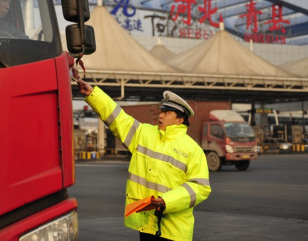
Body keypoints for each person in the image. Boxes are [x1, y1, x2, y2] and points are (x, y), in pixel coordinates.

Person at [77, 79, 211, 241]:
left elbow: (200, 188)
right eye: (161, 111)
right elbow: (118, 118)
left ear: (180, 120)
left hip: (175, 230)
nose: (160, 115)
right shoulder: (144, 134)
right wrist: (93, 95)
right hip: (146, 224)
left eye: (167, 112)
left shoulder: (192, 150)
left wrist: (167, 201)